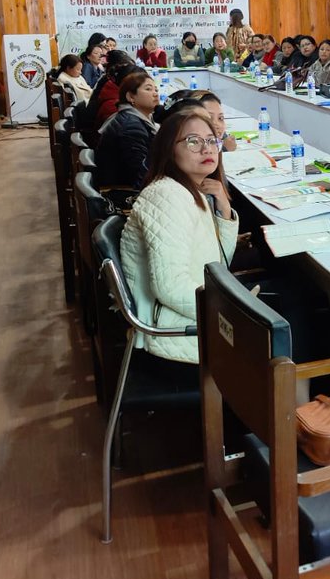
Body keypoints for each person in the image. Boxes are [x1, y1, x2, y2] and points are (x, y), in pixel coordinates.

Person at [120, 107, 237, 366]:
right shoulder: (167, 196)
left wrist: (224, 210)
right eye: (193, 141)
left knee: (294, 305)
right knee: (297, 322)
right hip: (174, 337)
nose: (207, 149)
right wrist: (233, 313)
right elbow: (170, 287)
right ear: (169, 149)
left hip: (190, 318)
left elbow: (220, 263)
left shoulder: (189, 190)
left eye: (211, 140)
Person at [95, 71, 159, 190]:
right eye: (148, 89)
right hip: (123, 192)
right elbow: (141, 177)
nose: (155, 94)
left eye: (156, 90)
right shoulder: (131, 128)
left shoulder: (133, 118)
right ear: (130, 97)